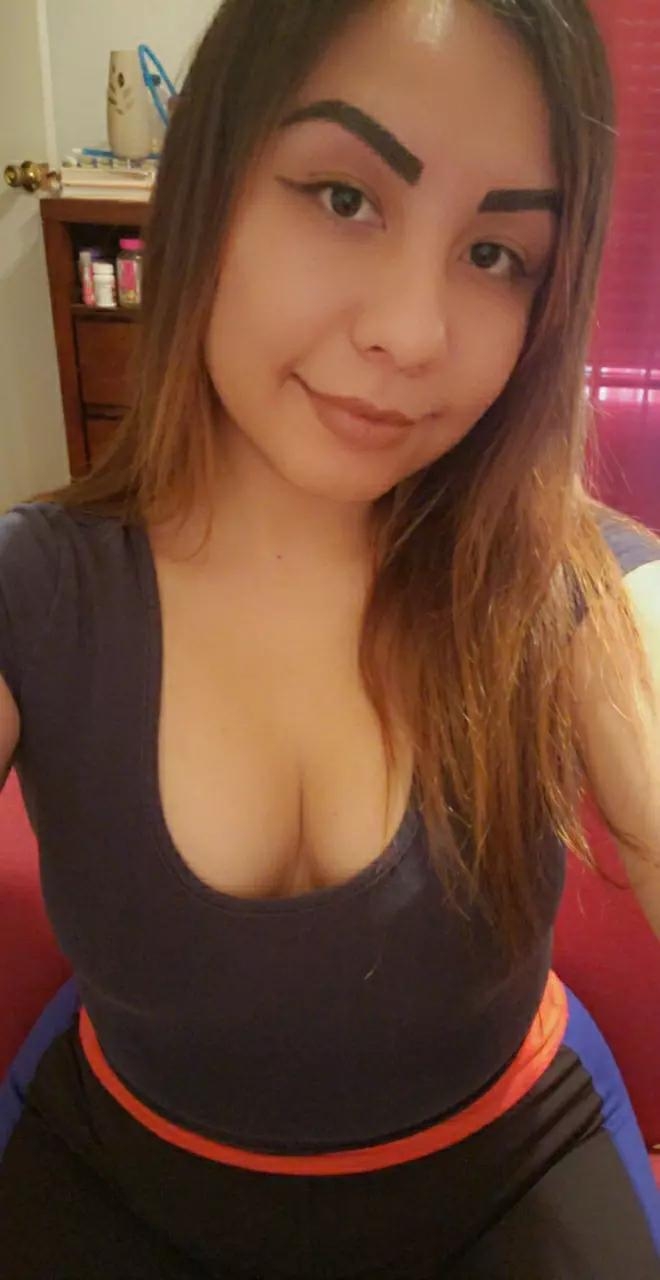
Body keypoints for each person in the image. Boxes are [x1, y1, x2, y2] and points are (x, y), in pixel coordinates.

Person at [0, 0, 659, 1274]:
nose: (412, 333)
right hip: (123, 1169)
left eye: (496, 254)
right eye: (345, 196)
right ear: (209, 186)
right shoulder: (36, 588)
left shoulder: (568, 586)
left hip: (509, 1166)